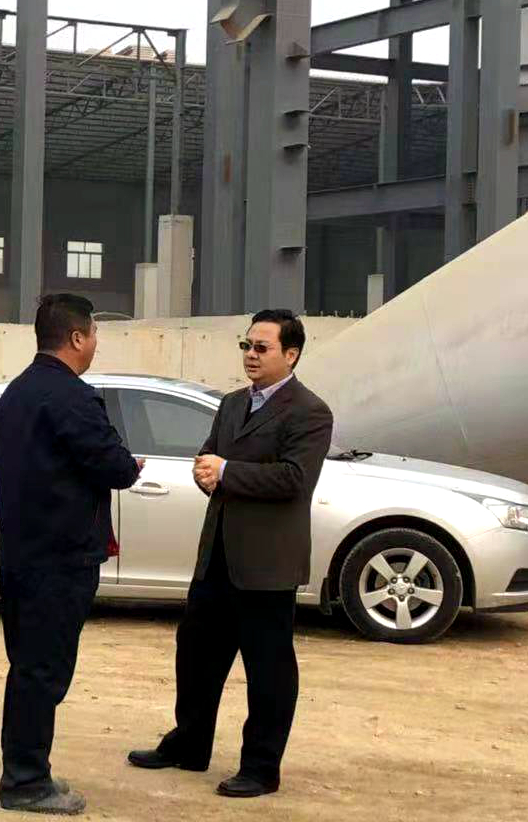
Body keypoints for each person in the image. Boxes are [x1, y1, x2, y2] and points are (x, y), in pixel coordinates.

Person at [128, 309, 333, 798]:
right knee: (196, 656)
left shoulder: (309, 411)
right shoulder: (233, 403)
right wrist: (207, 473)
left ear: (291, 354)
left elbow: (294, 478)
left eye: (262, 348)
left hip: (267, 564)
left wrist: (225, 472)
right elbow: (209, 456)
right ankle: (189, 744)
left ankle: (261, 767)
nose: (251, 355)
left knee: (267, 670)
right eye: (246, 346)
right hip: (217, 555)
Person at [0, 294, 142, 815]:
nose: (96, 343)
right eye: (94, 334)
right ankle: (26, 781)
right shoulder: (72, 397)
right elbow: (116, 466)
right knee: (43, 671)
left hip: (21, 552)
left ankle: (26, 770)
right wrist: (129, 464)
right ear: (77, 338)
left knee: (28, 667)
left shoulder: (16, 392)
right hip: (58, 559)